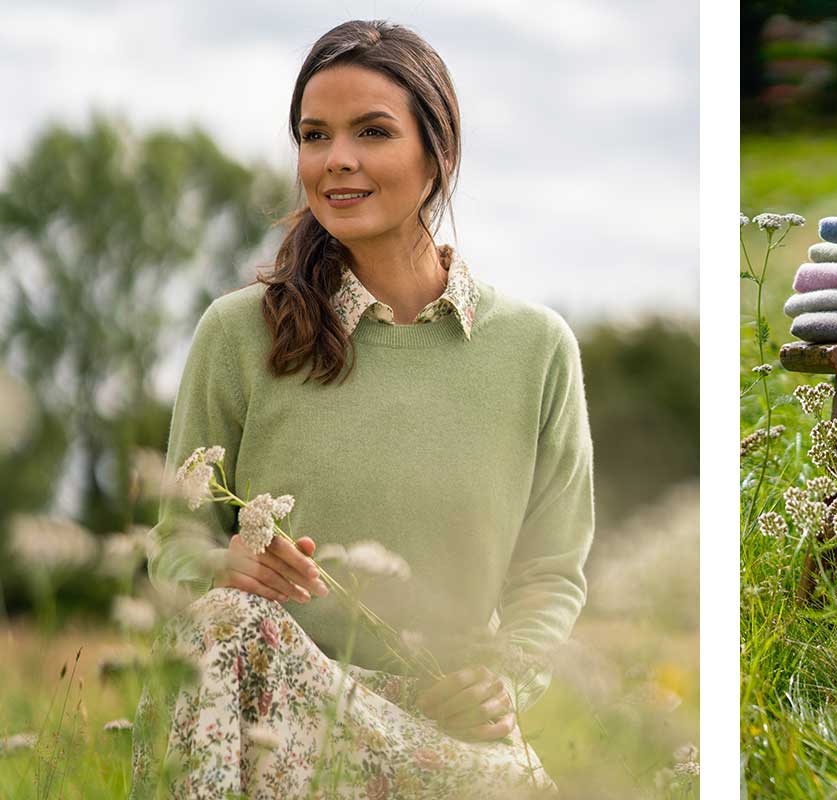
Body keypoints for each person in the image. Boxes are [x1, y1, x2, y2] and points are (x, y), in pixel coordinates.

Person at [130, 19, 594, 799]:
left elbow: (550, 572)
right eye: (315, 135)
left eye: (372, 132)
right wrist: (224, 566)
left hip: (440, 716)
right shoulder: (238, 333)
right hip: (265, 696)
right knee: (222, 624)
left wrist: (505, 678)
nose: (336, 159)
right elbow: (176, 537)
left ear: (438, 152)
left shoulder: (537, 348)